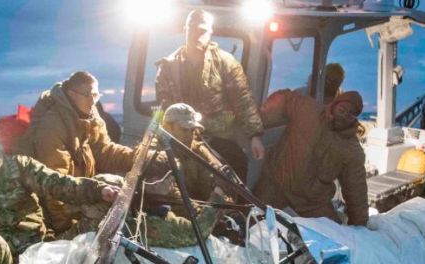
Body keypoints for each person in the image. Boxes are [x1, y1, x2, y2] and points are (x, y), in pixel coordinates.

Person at [0, 119, 120, 258]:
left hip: (40, 249)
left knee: (104, 206)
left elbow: (57, 183)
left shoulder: (19, 166)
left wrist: (98, 190)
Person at [16, 71, 135, 236]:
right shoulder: (51, 126)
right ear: (71, 95)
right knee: (103, 203)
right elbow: (54, 186)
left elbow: (104, 151)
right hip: (54, 211)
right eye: (87, 94)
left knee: (117, 186)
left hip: (76, 194)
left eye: (95, 94)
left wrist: (138, 157)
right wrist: (65, 231)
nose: (93, 100)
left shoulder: (89, 118)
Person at [155, 9, 265, 181]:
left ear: (211, 32)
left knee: (237, 165)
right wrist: (158, 135)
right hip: (181, 138)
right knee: (163, 172)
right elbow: (163, 107)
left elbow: (243, 98)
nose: (197, 35)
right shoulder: (168, 66)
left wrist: (255, 136)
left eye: (203, 31)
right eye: (193, 30)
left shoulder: (225, 62)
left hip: (217, 137)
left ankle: (236, 208)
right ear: (185, 30)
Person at [253, 90, 369, 225]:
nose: (343, 116)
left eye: (350, 114)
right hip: (276, 183)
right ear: (334, 105)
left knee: (334, 238)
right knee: (248, 218)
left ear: (355, 118)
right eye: (341, 109)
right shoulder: (308, 109)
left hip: (311, 201)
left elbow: (356, 189)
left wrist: (359, 223)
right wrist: (260, 118)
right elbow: (285, 98)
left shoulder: (352, 150)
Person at [137, 103, 223, 248]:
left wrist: (226, 211)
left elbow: (218, 179)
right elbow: (179, 203)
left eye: (193, 131)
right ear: (167, 128)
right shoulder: (156, 157)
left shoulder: (197, 150)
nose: (190, 136)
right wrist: (212, 215)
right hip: (178, 226)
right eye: (184, 130)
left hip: (203, 217)